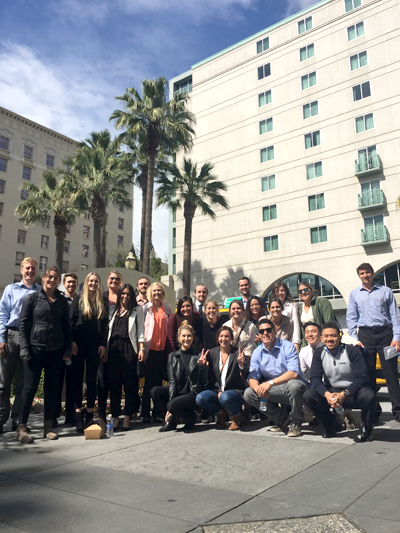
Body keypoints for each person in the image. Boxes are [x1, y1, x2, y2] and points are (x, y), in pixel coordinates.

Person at [17, 266, 71, 443]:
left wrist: (67, 349)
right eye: (49, 277)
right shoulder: (32, 298)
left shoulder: (62, 302)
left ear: (58, 282)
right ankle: (22, 426)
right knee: (29, 388)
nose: (52, 280)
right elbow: (23, 324)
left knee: (52, 388)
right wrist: (24, 347)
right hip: (35, 349)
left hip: (55, 350)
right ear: (44, 278)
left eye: (55, 278)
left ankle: (48, 426)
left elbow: (66, 327)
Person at [304, 322, 377, 441]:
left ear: (340, 336)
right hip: (331, 392)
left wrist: (345, 394)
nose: (330, 339)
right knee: (309, 395)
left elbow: (362, 378)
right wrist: (327, 394)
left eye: (333, 336)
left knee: (368, 395)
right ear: (321, 338)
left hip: (352, 392)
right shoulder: (319, 353)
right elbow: (315, 379)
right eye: (326, 336)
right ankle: (331, 424)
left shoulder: (352, 351)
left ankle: (366, 428)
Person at [346, 262, 400, 423]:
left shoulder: (386, 291)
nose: (365, 275)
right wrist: (355, 340)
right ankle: (373, 412)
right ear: (359, 276)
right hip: (365, 336)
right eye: (362, 273)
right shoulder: (355, 294)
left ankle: (397, 412)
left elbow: (395, 316)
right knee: (368, 376)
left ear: (372, 273)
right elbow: (351, 318)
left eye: (368, 272)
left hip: (385, 335)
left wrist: (396, 337)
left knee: (391, 375)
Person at [244, 318, 308, 437]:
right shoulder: (257, 352)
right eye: (262, 331)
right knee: (249, 393)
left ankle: (296, 423)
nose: (265, 333)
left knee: (293, 385)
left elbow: (294, 373)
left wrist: (270, 383)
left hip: (296, 389)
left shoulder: (288, 346)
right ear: (258, 334)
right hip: (275, 389)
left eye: (268, 330)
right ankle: (282, 418)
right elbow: (252, 377)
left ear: (274, 331)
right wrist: (258, 389)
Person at [0, 257, 41, 433]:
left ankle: (18, 420)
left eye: (33, 268)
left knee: (24, 384)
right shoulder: (11, 289)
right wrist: (1, 338)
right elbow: (2, 313)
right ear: (21, 270)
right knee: (3, 382)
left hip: (31, 338)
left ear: (36, 271)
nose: (30, 271)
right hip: (12, 335)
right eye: (27, 268)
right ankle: (1, 418)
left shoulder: (41, 292)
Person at [151, 324, 208, 432]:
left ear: (193, 337)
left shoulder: (198, 355)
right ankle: (172, 422)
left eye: (189, 336)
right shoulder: (173, 356)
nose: (186, 339)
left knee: (172, 405)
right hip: (178, 391)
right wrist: (171, 403)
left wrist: (201, 366)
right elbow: (172, 381)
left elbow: (204, 381)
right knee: (155, 392)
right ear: (179, 338)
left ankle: (190, 417)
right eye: (184, 336)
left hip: (191, 393)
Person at [70, 272, 108, 432]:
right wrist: (71, 341)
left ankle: (90, 415)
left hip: (95, 346)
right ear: (86, 283)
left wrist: (103, 344)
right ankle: (78, 415)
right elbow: (71, 321)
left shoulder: (103, 301)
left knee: (92, 380)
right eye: (91, 281)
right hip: (78, 345)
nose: (93, 284)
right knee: (77, 379)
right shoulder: (78, 300)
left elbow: (105, 326)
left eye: (96, 281)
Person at [107, 284, 145, 431]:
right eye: (123, 294)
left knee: (130, 385)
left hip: (129, 349)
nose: (125, 296)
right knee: (114, 385)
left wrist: (141, 348)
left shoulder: (137, 310)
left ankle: (127, 417)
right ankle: (116, 417)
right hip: (113, 350)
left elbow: (141, 331)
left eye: (128, 294)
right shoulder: (112, 310)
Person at [196, 326, 248, 430]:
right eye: (221, 336)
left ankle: (237, 416)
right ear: (217, 338)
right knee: (200, 398)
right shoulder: (212, 353)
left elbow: (246, 374)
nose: (223, 339)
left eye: (227, 336)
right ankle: (220, 414)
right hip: (218, 390)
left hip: (234, 391)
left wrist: (242, 365)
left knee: (225, 397)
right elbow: (209, 376)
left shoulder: (237, 352)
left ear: (231, 339)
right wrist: (201, 366)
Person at [142, 282, 172, 422]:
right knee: (148, 383)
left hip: (162, 351)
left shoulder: (167, 308)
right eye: (154, 291)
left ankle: (158, 413)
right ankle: (145, 413)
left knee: (160, 383)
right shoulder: (145, 308)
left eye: (159, 291)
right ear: (150, 292)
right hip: (150, 350)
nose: (157, 293)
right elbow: (142, 329)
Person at [97, 270, 123, 422]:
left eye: (117, 279)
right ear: (107, 281)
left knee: (116, 382)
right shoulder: (102, 297)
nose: (114, 281)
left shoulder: (124, 297)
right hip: (102, 344)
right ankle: (101, 414)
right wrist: (103, 345)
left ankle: (115, 414)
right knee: (102, 380)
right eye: (112, 278)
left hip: (118, 346)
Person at [55, 272, 79, 427]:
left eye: (74, 282)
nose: (71, 284)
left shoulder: (79, 300)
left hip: (74, 347)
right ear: (63, 283)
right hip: (58, 346)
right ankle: (53, 416)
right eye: (68, 282)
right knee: (56, 382)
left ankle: (70, 416)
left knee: (72, 382)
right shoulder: (58, 299)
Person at [298, 281, 335, 348]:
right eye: (300, 291)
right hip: (309, 345)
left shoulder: (322, 302)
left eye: (305, 289)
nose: (303, 292)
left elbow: (329, 323)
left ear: (311, 290)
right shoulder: (300, 309)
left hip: (323, 343)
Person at [271, 281, 301, 352]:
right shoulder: (272, 305)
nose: (280, 293)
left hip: (288, 339)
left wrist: (296, 343)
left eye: (282, 290)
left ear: (286, 292)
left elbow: (296, 325)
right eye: (277, 291)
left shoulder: (292, 305)